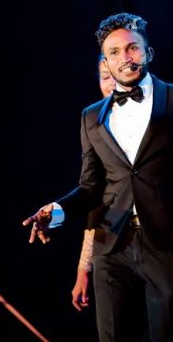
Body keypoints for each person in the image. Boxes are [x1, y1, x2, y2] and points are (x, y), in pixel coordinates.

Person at [23, 12, 173, 342]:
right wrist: (57, 211)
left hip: (167, 242)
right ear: (105, 61)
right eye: (114, 52)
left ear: (148, 52)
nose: (125, 57)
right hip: (111, 245)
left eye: (132, 48)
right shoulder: (91, 117)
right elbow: (91, 186)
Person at [71, 55, 115, 312]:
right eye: (105, 77)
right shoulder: (94, 122)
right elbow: (93, 196)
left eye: (116, 76)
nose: (111, 84)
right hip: (111, 245)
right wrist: (83, 268)